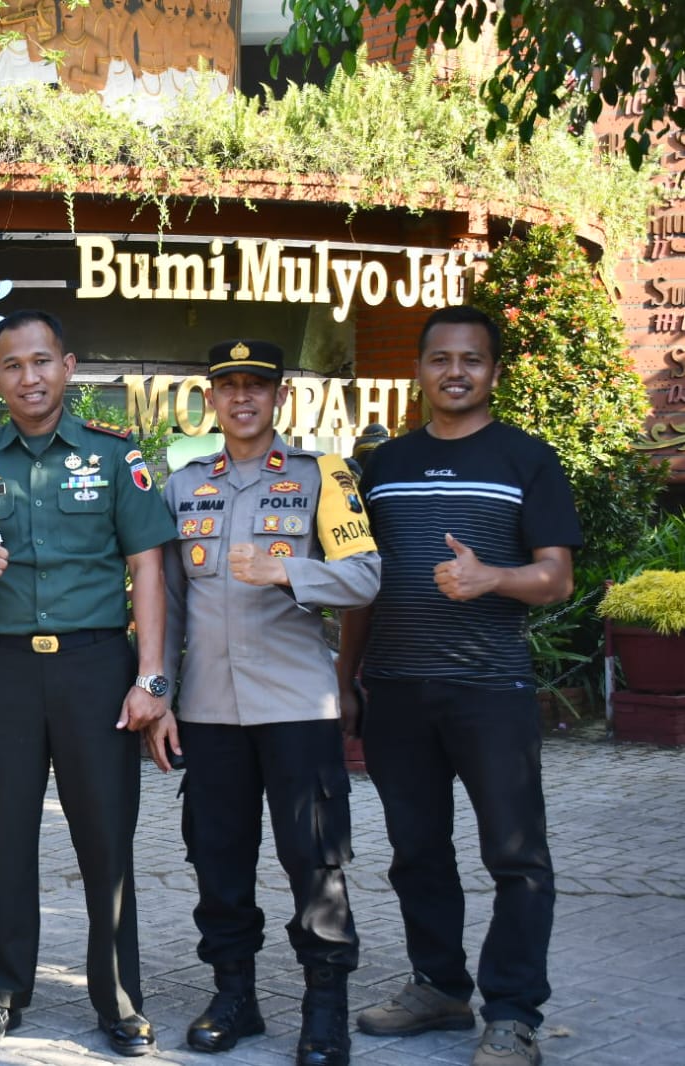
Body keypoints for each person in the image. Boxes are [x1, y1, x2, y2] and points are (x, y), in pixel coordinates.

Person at [338, 305, 580, 1066]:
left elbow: (556, 577)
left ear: (492, 372)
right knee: (416, 851)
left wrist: (490, 578)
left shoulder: (526, 459)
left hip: (488, 689)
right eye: (439, 358)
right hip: (397, 691)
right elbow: (360, 584)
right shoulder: (385, 467)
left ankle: (511, 1013)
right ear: (418, 369)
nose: (454, 372)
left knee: (515, 855)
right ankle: (439, 986)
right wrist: (347, 677)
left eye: (470, 360)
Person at [0, 309, 177, 1056]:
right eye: (11, 365)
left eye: (41, 362)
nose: (28, 377)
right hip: (5, 666)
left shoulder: (114, 458)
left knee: (105, 837)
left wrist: (152, 678)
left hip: (96, 668)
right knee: (3, 835)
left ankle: (118, 1003)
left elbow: (148, 569)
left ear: (67, 367)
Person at [158, 340, 380, 1066]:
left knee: (313, 860)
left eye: (257, 386)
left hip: (297, 706)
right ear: (211, 399)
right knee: (217, 860)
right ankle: (234, 996)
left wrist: (289, 570)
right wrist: (158, 695)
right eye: (230, 387)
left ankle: (324, 1010)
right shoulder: (183, 485)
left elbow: (367, 578)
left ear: (279, 396)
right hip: (209, 709)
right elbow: (161, 603)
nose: (243, 398)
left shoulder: (324, 476)